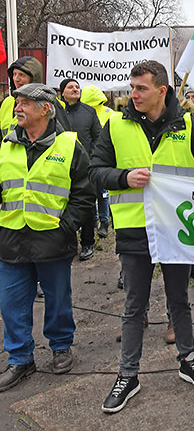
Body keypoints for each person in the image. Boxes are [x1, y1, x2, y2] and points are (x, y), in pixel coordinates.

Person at [90, 60, 194, 413]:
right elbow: (95, 172)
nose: (134, 95)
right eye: (132, 88)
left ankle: (188, 359)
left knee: (179, 299)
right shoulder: (116, 126)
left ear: (162, 90)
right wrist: (123, 177)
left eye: (141, 88)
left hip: (176, 227)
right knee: (134, 305)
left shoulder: (188, 125)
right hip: (134, 227)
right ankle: (128, 375)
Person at [0, 83, 94, 392]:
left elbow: (84, 193)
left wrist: (67, 227)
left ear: (45, 109)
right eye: (18, 103)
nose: (18, 108)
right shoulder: (5, 145)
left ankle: (60, 347)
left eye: (25, 103)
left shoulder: (68, 146)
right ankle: (20, 359)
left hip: (53, 240)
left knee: (57, 301)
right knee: (11, 303)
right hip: (11, 240)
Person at [60, 78, 101, 261]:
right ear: (62, 93)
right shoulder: (56, 113)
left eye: (77, 87)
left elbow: (98, 137)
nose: (75, 89)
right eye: (71, 87)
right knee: (64, 204)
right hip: (62, 165)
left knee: (87, 205)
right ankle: (66, 243)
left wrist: (91, 159)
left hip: (85, 167)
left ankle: (87, 243)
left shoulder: (89, 112)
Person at [1, 57, 70, 138]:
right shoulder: (7, 102)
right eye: (14, 74)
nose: (16, 79)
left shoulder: (49, 101)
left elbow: (64, 137)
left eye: (21, 75)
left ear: (34, 78)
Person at [81, 85, 115, 238]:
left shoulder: (109, 114)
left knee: (102, 192)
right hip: (85, 158)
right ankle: (93, 220)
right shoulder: (84, 114)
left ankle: (104, 222)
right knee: (89, 192)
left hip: (103, 158)